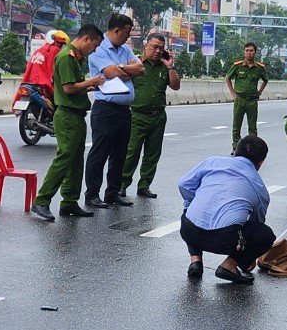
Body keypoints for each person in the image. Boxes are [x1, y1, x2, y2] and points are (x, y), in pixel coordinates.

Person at [30, 25, 107, 222]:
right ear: (87, 39)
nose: (95, 50)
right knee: (65, 157)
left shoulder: (74, 57)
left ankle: (69, 202)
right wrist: (92, 82)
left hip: (76, 114)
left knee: (75, 160)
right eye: (95, 45)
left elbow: (75, 87)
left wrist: (90, 86)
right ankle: (42, 200)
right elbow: (69, 88)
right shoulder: (66, 57)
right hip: (67, 115)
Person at [178, 135, 275, 285]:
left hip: (189, 231)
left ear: (235, 152)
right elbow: (257, 223)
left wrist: (193, 201)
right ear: (261, 162)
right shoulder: (259, 187)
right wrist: (247, 256)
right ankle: (229, 265)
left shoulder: (212, 162)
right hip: (223, 240)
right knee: (266, 235)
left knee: (190, 209)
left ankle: (195, 261)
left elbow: (184, 184)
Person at [84, 14, 144, 208]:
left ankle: (113, 192)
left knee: (120, 154)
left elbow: (141, 68)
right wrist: (124, 70)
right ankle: (92, 194)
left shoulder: (124, 48)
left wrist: (120, 68)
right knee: (100, 153)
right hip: (105, 109)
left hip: (124, 110)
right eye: (126, 33)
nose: (127, 38)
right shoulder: (98, 48)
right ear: (116, 30)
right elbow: (112, 74)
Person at [121, 33, 181, 198]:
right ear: (146, 46)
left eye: (161, 48)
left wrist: (170, 66)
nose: (157, 51)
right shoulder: (136, 64)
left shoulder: (164, 66)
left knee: (152, 153)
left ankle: (144, 185)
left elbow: (176, 86)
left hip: (158, 116)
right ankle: (122, 184)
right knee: (131, 152)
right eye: (154, 47)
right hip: (137, 116)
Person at [226, 42, 268, 150]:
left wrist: (260, 92)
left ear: (255, 52)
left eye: (251, 51)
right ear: (244, 52)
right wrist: (233, 93)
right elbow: (228, 78)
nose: (249, 53)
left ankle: (253, 149)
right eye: (247, 51)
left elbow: (265, 80)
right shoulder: (237, 66)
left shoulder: (259, 68)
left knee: (252, 127)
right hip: (239, 99)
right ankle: (236, 147)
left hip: (252, 101)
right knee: (236, 126)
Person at [18, 29, 68, 102]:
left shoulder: (38, 50)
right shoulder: (54, 50)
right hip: (43, 84)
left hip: (30, 82)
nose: (60, 46)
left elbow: (28, 66)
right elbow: (53, 70)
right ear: (54, 40)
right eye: (60, 43)